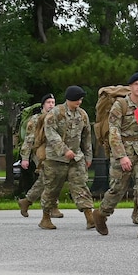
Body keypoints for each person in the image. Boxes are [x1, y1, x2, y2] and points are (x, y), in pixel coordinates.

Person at [92, 72, 138, 239]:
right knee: (117, 189)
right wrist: (122, 156)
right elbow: (113, 132)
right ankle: (101, 214)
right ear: (130, 87)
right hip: (123, 151)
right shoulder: (120, 105)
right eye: (136, 84)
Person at [38, 86, 95, 230]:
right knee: (52, 188)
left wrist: (88, 156)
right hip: (55, 159)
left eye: (81, 99)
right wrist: (64, 150)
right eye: (77, 99)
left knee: (80, 186)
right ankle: (45, 218)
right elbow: (50, 133)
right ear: (69, 99)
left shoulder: (82, 115)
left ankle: (90, 217)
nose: (79, 102)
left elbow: (86, 136)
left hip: (76, 158)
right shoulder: (55, 113)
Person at [18, 93, 63, 218]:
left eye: (53, 102)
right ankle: (52, 207)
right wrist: (25, 158)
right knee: (48, 177)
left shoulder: (57, 117)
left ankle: (26, 201)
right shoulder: (35, 119)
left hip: (54, 152)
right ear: (43, 104)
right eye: (48, 102)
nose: (51, 105)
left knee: (49, 178)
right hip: (40, 152)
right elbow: (28, 139)